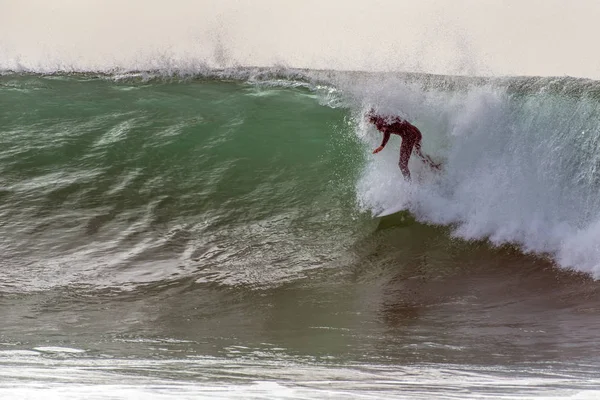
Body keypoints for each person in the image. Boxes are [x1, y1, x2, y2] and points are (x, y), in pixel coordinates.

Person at [367, 110, 440, 181]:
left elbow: (386, 130)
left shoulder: (379, 122)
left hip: (409, 136)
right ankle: (435, 167)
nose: (367, 121)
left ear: (371, 117)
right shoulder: (384, 116)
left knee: (402, 165)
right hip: (415, 131)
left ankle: (409, 186)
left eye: (367, 119)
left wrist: (382, 146)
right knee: (418, 153)